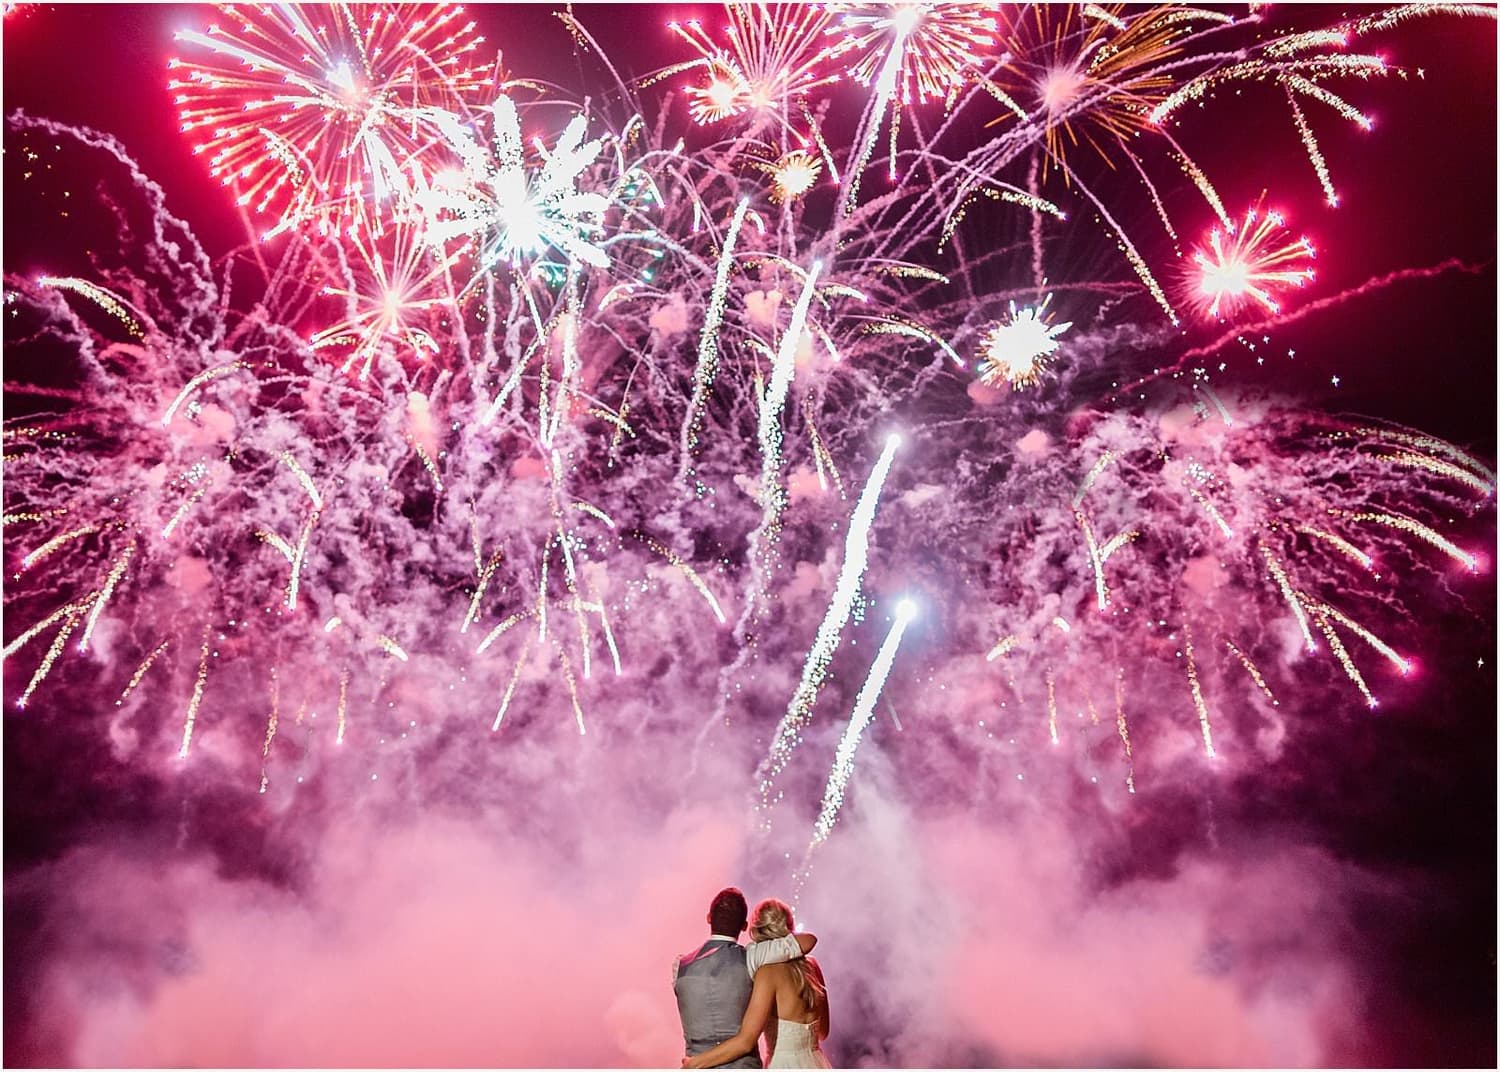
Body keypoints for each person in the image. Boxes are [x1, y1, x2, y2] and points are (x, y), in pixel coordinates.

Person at [673, 887, 818, 1069]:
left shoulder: (680, 965)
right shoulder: (751, 956)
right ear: (743, 926)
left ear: (709, 918)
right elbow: (809, 940)